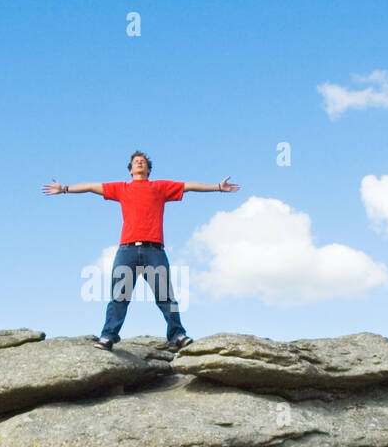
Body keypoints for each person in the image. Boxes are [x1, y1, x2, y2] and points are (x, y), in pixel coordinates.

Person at [43, 150, 240, 350]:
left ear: (148, 169)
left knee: (166, 296)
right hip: (127, 250)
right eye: (136, 161)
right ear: (130, 170)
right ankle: (109, 336)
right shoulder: (122, 188)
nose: (139, 163)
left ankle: (177, 334)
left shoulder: (159, 187)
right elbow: (92, 187)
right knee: (119, 296)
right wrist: (65, 188)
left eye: (143, 161)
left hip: (154, 250)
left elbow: (188, 186)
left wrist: (217, 187)